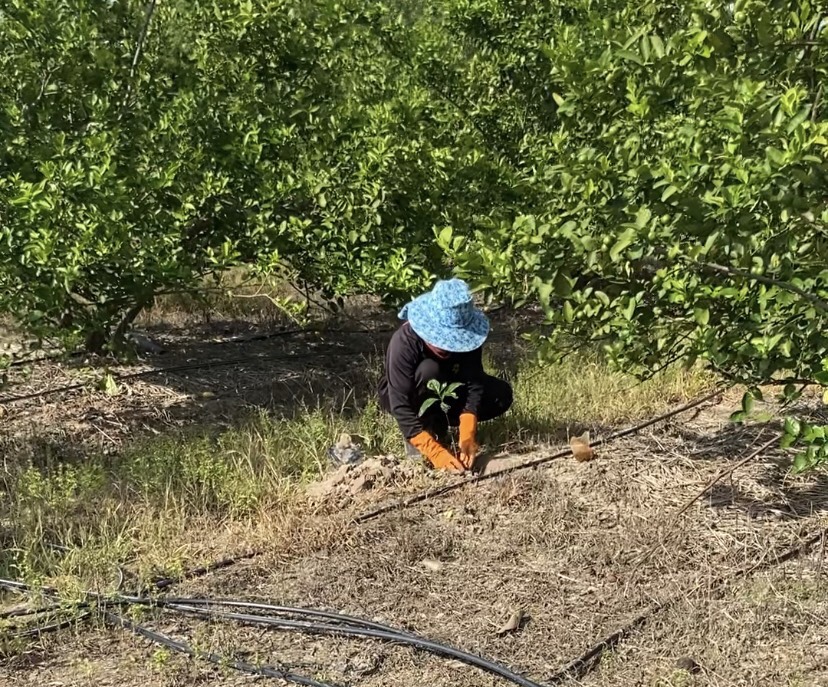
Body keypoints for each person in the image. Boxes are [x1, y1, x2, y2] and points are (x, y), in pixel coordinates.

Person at [378, 278, 513, 473]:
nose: (446, 347)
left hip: (449, 387)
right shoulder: (404, 341)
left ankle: (444, 423)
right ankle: (424, 431)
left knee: (500, 394)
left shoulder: (469, 336)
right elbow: (399, 402)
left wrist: (468, 429)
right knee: (429, 370)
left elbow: (474, 381)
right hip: (410, 393)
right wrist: (432, 450)